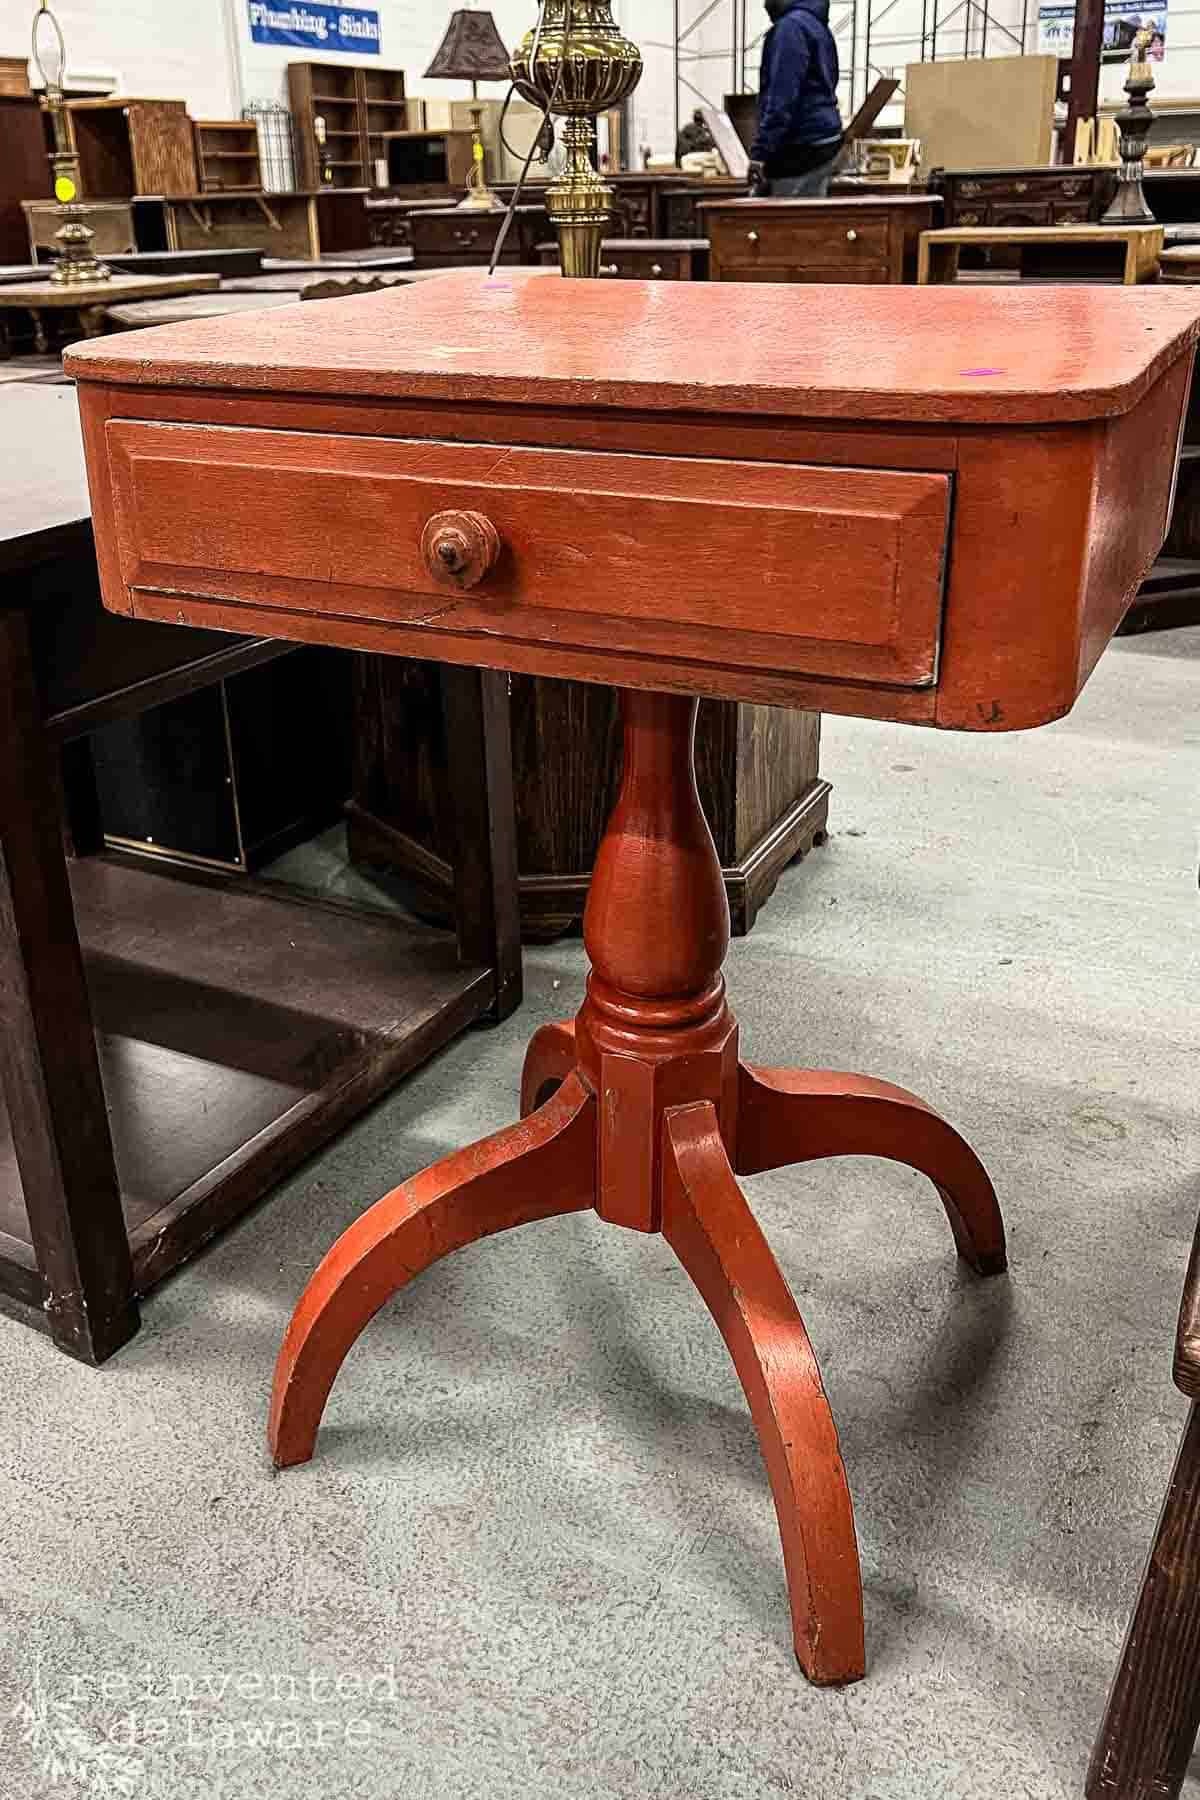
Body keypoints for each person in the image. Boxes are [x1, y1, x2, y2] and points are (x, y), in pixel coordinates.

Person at [748, 0, 844, 198]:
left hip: (800, 150)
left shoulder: (790, 29)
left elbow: (782, 99)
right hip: (825, 144)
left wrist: (760, 154)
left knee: (786, 217)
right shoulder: (818, 26)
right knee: (811, 214)